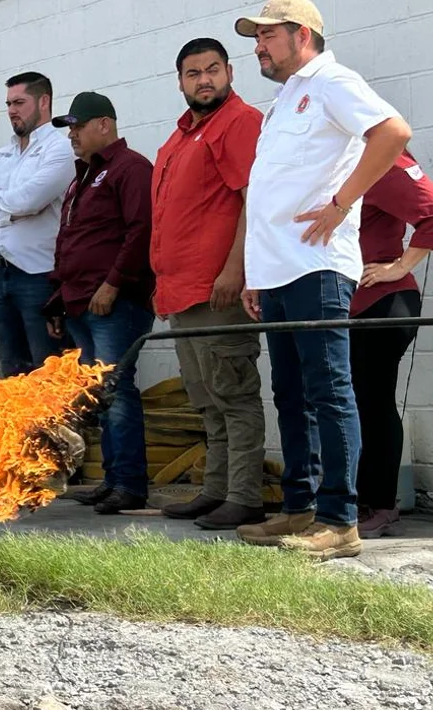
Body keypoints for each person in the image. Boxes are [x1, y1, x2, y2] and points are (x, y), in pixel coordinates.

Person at [234, 1, 411, 559]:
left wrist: (341, 203)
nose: (258, 45)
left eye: (267, 35)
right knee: (290, 394)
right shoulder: (284, 100)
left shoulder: (332, 80)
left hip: (318, 267)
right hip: (279, 271)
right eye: (256, 36)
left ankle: (340, 519)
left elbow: (393, 132)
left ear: (301, 34)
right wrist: (255, 273)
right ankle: (299, 507)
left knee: (330, 392)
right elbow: (270, 196)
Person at [151, 39, 268, 531]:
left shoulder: (239, 123)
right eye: (193, 73)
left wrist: (234, 270)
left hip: (217, 290)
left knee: (235, 397)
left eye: (212, 70)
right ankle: (216, 490)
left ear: (229, 72)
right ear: (179, 81)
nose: (204, 80)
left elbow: (252, 201)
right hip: (182, 293)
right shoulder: (181, 136)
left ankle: (244, 497)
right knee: (206, 401)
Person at [46, 92, 156, 515]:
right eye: (70, 128)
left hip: (116, 303)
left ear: (105, 125)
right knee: (99, 395)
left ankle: (130, 483)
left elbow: (141, 230)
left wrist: (113, 284)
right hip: (80, 304)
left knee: (117, 389)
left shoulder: (129, 168)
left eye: (78, 126)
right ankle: (113, 479)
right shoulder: (83, 177)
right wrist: (57, 302)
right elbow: (71, 244)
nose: (72, 134)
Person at [0, 71, 76, 377]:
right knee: (13, 373)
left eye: (19, 102)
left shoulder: (59, 147)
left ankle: (55, 427)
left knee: (47, 372)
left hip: (39, 274)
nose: (11, 110)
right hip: (0, 273)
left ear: (44, 101)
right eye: (8, 103)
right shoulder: (3, 153)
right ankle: (23, 428)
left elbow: (29, 199)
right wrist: (12, 212)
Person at [349, 150, 433, 538]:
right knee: (353, 402)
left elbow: (431, 213)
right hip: (348, 304)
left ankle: (382, 505)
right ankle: (358, 499)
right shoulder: (335, 160)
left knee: (373, 399)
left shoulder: (384, 161)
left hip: (384, 302)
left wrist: (398, 266)